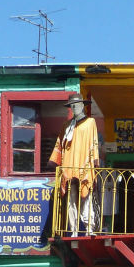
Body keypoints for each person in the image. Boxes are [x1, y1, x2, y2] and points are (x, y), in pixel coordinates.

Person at [49, 92, 100, 236]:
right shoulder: (66, 126)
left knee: (86, 198)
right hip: (69, 168)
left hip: (84, 166)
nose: (75, 108)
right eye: (72, 106)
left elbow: (94, 143)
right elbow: (60, 145)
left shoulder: (90, 122)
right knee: (71, 200)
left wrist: (94, 162)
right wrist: (57, 163)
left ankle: (90, 227)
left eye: (77, 105)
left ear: (82, 105)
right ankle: (74, 230)